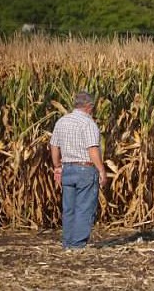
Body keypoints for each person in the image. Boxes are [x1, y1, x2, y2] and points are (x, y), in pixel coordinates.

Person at [50, 91, 108, 250]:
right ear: (89, 107)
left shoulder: (62, 121)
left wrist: (57, 166)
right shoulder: (88, 124)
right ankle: (77, 245)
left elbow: (54, 146)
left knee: (69, 208)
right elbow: (92, 149)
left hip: (67, 169)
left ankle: (68, 243)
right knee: (84, 207)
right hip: (85, 169)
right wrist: (101, 170)